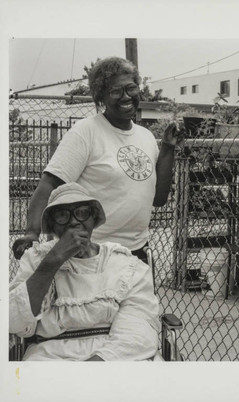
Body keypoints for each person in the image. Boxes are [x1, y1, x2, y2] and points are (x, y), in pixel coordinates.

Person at [12, 57, 179, 262]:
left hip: (137, 253)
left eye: (131, 88)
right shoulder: (86, 132)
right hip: (90, 253)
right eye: (116, 91)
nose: (126, 96)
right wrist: (32, 233)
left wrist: (168, 149)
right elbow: (48, 184)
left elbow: (158, 199)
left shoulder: (145, 137)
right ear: (101, 98)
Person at [9, 183, 160, 361]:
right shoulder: (36, 259)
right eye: (62, 215)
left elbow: (138, 327)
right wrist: (53, 259)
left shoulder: (124, 263)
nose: (73, 221)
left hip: (115, 356)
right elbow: (13, 320)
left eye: (82, 212)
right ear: (52, 224)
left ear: (93, 219)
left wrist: (95, 366)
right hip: (50, 356)